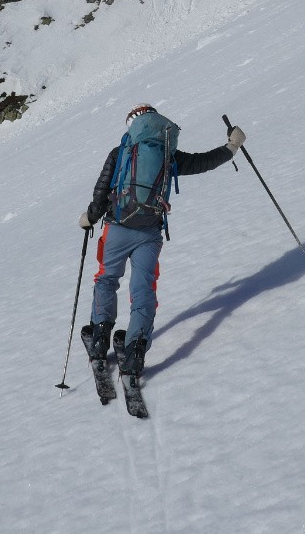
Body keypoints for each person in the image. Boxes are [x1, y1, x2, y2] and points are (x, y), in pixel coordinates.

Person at [78, 104, 245, 378]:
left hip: (117, 228)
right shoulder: (168, 155)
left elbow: (101, 191)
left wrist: (90, 217)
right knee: (143, 290)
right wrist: (231, 147)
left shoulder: (121, 152)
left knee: (106, 279)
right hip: (150, 232)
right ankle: (134, 354)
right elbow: (203, 162)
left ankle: (99, 338)